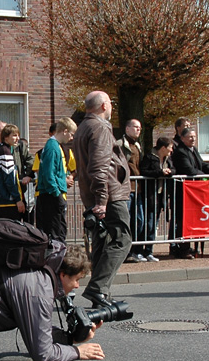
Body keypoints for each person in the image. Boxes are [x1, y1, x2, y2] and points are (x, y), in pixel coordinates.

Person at [73, 90, 132, 307]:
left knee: (102, 241)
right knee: (122, 240)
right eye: (110, 103)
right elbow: (99, 166)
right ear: (104, 106)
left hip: (96, 195)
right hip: (109, 195)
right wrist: (102, 200)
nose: (112, 107)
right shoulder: (99, 127)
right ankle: (98, 289)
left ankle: (100, 295)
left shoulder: (83, 127)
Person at [171, 127, 209, 260]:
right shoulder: (180, 152)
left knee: (193, 219)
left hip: (194, 192)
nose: (193, 139)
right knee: (183, 220)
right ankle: (183, 248)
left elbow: (201, 164)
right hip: (184, 191)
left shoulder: (194, 150)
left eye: (194, 137)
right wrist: (206, 175)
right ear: (182, 138)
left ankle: (190, 246)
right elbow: (189, 169)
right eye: (190, 137)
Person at [0, 119, 33, 217]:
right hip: (7, 197)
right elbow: (8, 178)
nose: (17, 138)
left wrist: (28, 175)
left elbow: (30, 160)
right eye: (14, 135)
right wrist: (17, 199)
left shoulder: (18, 146)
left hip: (12, 193)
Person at [35, 118, 76, 242]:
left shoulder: (54, 146)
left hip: (51, 194)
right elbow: (49, 174)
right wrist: (56, 193)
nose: (72, 138)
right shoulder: (52, 147)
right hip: (50, 195)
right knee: (54, 232)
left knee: (57, 230)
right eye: (71, 134)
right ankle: (54, 259)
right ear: (65, 131)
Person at [118, 119, 148, 263]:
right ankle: (126, 251)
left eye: (140, 128)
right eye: (135, 127)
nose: (138, 130)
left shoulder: (137, 146)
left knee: (139, 220)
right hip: (126, 189)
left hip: (138, 189)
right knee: (127, 221)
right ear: (127, 128)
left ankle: (136, 250)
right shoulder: (119, 145)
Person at [139, 136, 174, 258]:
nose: (171, 150)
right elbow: (143, 172)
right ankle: (140, 250)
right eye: (170, 148)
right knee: (148, 223)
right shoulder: (149, 158)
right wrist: (160, 173)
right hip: (150, 195)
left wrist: (169, 172)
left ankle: (149, 250)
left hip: (161, 195)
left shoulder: (168, 159)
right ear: (163, 148)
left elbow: (174, 169)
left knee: (154, 224)